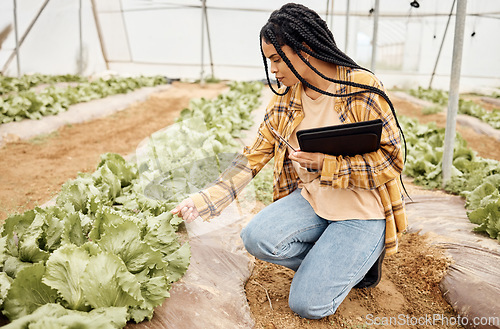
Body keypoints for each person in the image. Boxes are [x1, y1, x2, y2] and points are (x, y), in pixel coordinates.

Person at [172, 3, 407, 320]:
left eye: (277, 59)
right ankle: (336, 262)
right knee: (256, 238)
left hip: (361, 209)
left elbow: (392, 160)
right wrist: (205, 200)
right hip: (313, 199)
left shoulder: (360, 89)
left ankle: (360, 261)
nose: (273, 70)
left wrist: (326, 164)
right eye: (269, 60)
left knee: (307, 305)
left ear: (306, 49)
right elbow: (252, 157)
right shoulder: (286, 98)